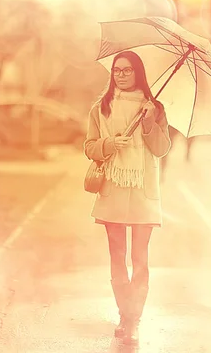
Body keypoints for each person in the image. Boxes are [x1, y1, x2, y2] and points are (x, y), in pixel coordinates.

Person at [83, 50, 171, 345]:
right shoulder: (101, 108)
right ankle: (126, 315)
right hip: (113, 188)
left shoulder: (154, 107)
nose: (121, 74)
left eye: (127, 70)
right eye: (117, 70)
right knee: (117, 256)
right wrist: (109, 143)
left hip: (144, 190)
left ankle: (135, 315)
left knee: (140, 258)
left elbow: (161, 149)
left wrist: (148, 122)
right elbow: (90, 147)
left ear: (138, 73)